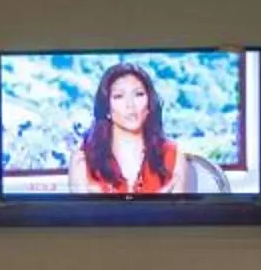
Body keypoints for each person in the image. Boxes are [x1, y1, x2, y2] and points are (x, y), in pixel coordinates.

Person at [65, 62, 229, 195]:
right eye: (119, 96)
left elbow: (178, 226)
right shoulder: (83, 161)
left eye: (138, 94)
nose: (130, 105)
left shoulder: (172, 156)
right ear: (106, 108)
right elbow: (84, 230)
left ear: (149, 104)